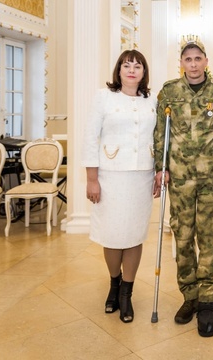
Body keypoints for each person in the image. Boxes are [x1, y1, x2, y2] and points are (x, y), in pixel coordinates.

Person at [153, 37, 213, 337]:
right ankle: (190, 296)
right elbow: (160, 132)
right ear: (182, 64)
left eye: (198, 58)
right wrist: (160, 169)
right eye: (188, 59)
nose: (193, 64)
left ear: (206, 61)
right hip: (180, 177)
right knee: (183, 236)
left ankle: (209, 302)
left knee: (210, 238)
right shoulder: (169, 92)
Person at [82, 49, 158, 324]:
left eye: (137, 66)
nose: (131, 70)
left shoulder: (153, 100)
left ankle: (127, 292)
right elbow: (90, 137)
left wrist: (159, 171)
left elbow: (159, 139)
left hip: (141, 176)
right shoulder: (103, 97)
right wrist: (92, 179)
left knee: (134, 234)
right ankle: (114, 284)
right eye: (127, 65)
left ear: (143, 73)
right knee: (113, 234)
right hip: (110, 176)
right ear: (119, 70)